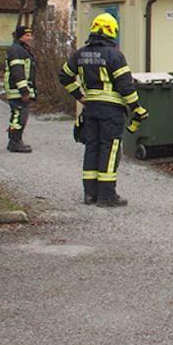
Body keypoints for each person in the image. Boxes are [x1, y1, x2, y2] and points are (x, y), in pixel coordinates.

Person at [58, 13, 148, 207]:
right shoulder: (115, 55)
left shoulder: (80, 53)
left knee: (92, 148)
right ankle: (107, 196)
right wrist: (137, 109)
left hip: (90, 110)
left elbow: (64, 76)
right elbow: (126, 87)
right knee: (109, 149)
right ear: (111, 32)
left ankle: (90, 195)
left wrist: (80, 96)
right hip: (111, 112)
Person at [4, 25, 35, 153]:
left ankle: (16, 141)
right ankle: (15, 142)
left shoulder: (21, 49)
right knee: (19, 116)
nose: (30, 38)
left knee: (20, 115)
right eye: (27, 35)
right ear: (20, 36)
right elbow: (18, 72)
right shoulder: (16, 50)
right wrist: (24, 90)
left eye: (30, 35)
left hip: (18, 88)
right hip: (17, 89)